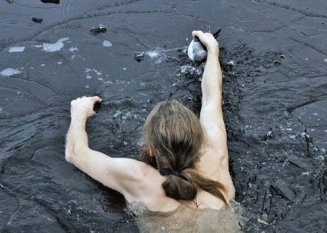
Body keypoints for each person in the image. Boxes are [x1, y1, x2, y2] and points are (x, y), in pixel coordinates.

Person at [65, 31, 243, 232]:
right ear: (199, 141)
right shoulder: (215, 152)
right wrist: (212, 51)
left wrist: (79, 114)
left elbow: (75, 153)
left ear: (150, 149)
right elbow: (212, 97)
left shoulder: (138, 178)